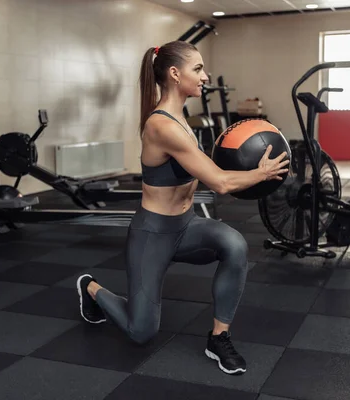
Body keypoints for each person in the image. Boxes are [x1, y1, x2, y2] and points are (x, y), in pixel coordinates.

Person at [76, 41, 289, 375]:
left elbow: (209, 170)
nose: (205, 76)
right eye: (198, 69)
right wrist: (260, 174)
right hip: (153, 233)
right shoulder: (161, 125)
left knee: (234, 244)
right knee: (141, 332)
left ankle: (219, 338)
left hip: (187, 227)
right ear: (175, 74)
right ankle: (91, 287)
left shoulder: (182, 117)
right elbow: (219, 183)